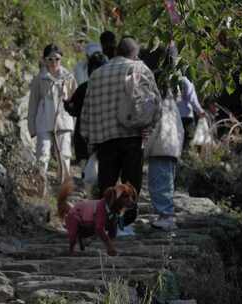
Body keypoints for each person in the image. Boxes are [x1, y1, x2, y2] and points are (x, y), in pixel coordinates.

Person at [80, 37, 161, 226]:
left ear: (116, 52)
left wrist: (88, 137)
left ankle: (107, 221)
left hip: (104, 137)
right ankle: (127, 223)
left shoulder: (97, 74)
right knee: (131, 184)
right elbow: (156, 104)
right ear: (134, 54)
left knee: (107, 183)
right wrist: (150, 128)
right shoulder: (140, 69)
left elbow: (87, 108)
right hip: (132, 136)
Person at [28, 44, 78, 184]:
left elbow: (76, 101)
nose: (54, 63)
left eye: (57, 59)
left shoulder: (68, 77)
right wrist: (32, 127)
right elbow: (33, 103)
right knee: (42, 154)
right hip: (44, 121)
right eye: (50, 59)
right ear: (44, 60)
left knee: (64, 154)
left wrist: (74, 122)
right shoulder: (40, 79)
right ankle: (40, 184)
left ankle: (64, 185)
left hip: (63, 121)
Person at [144, 91, 184, 231]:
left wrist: (144, 150)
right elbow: (181, 131)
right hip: (171, 149)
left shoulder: (157, 103)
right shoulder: (173, 106)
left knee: (158, 184)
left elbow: (153, 129)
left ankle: (166, 217)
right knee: (167, 183)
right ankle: (165, 216)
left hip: (160, 149)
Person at [65, 52, 109, 174]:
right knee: (103, 174)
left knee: (88, 174)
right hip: (104, 139)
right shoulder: (111, 89)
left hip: (83, 139)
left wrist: (67, 104)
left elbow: (73, 110)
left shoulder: (84, 88)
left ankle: (89, 191)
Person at [178, 76, 206, 151]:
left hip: (174, 115)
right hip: (186, 116)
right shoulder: (186, 80)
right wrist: (200, 111)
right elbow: (192, 99)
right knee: (188, 139)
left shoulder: (171, 78)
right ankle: (185, 158)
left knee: (177, 139)